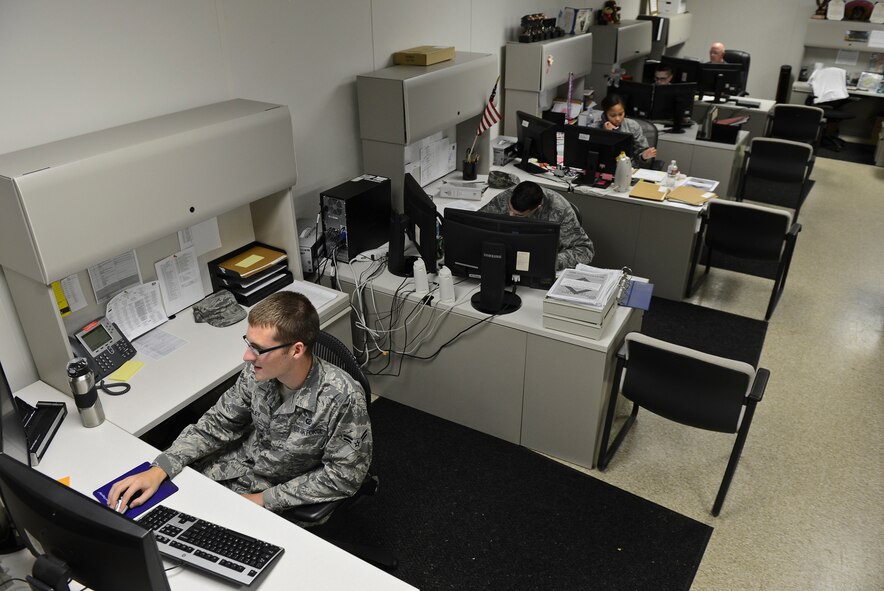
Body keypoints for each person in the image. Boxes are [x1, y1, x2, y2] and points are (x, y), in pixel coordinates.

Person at [108, 291, 372, 517]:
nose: (247, 356)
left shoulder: (344, 398)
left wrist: (263, 500)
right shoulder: (258, 372)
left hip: (284, 495)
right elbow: (217, 423)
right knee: (156, 512)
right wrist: (160, 468)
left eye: (258, 348)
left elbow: (343, 475)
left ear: (296, 350)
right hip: (236, 469)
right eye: (248, 344)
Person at [479, 181, 594, 271]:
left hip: (539, 265)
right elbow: (475, 223)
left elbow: (585, 250)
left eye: (519, 215)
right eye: (509, 208)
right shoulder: (507, 196)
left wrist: (549, 262)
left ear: (537, 208)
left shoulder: (560, 210)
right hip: (503, 260)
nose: (510, 215)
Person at [596, 93, 656, 166]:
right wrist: (606, 134)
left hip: (628, 168)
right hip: (601, 167)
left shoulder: (632, 126)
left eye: (621, 114)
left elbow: (640, 155)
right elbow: (595, 153)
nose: (618, 119)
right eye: (613, 115)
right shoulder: (596, 127)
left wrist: (644, 156)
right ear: (605, 114)